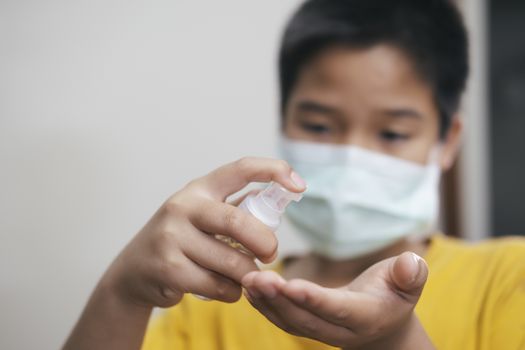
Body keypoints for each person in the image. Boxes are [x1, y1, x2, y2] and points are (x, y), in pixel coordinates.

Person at [63, 0, 525, 349]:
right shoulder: (210, 308)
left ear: (447, 141)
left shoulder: (508, 279)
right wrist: (123, 292)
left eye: (392, 132)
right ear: (283, 120)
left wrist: (394, 339)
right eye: (320, 126)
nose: (350, 157)